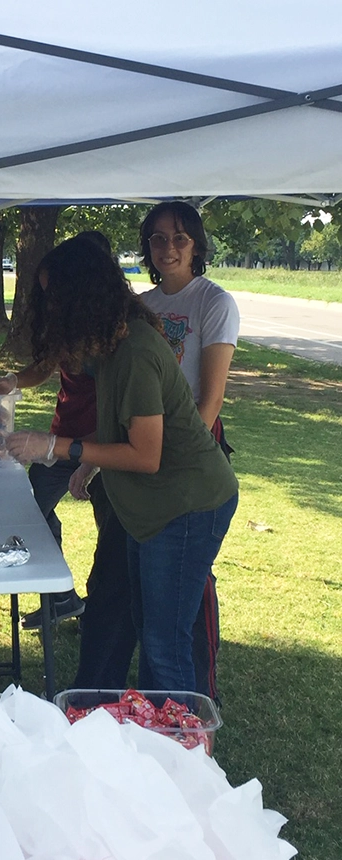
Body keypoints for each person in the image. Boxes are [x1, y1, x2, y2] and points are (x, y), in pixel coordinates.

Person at [6, 236, 239, 695]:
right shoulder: (109, 346)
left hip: (188, 507)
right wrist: (88, 463)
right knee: (145, 622)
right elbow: (123, 427)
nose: (50, 307)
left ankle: (183, 751)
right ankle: (154, 733)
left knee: (164, 644)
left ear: (84, 294)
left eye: (57, 297)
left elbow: (145, 456)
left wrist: (59, 447)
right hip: (154, 511)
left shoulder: (133, 352)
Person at [0, 232, 135, 690]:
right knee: (30, 511)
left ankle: (105, 622)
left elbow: (129, 430)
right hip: (60, 441)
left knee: (113, 547)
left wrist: (85, 459)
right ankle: (64, 595)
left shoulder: (119, 336)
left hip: (101, 447)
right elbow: (45, 365)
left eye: (56, 291)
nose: (49, 300)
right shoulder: (67, 323)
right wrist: (14, 380)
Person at [138, 201, 240, 701]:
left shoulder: (214, 303)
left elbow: (211, 397)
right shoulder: (143, 307)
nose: (169, 248)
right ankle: (160, 715)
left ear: (196, 244)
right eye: (158, 238)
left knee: (183, 601)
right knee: (157, 613)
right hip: (148, 462)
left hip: (192, 460)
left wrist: (176, 460)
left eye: (179, 238)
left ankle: (194, 711)